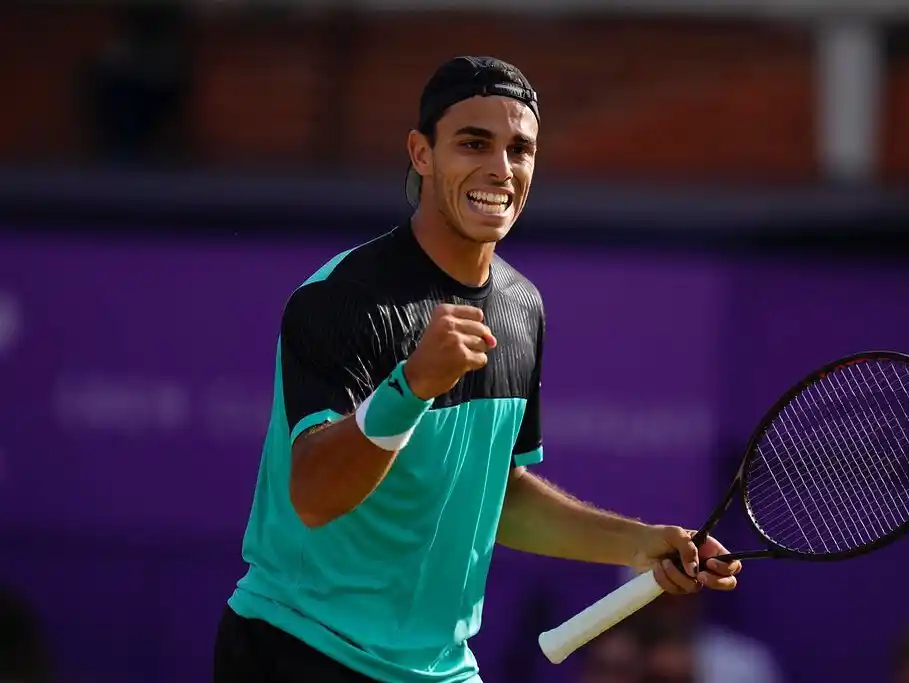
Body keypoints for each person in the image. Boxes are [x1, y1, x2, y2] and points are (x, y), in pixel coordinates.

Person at [213, 55, 742, 683]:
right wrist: (411, 388)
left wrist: (639, 542)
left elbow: (501, 497)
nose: (501, 168)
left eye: (520, 150)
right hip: (299, 649)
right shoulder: (339, 300)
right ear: (421, 153)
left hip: (440, 667)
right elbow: (314, 496)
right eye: (473, 143)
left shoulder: (522, 308)